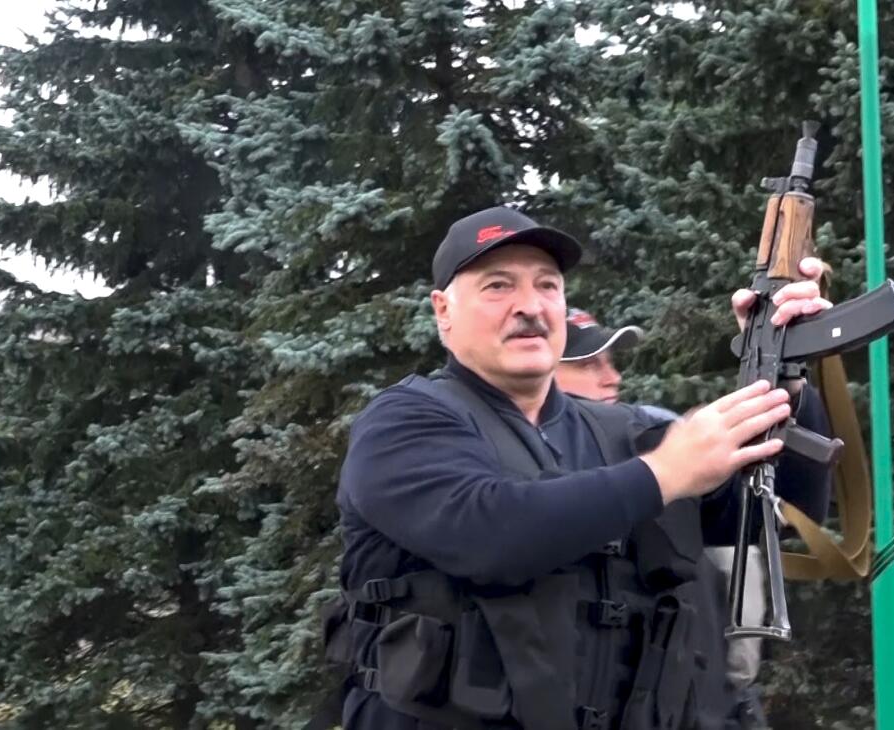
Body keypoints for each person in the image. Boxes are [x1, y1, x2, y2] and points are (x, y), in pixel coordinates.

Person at [333, 205, 833, 730]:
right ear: (443, 310)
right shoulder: (402, 423)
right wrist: (664, 472)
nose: (530, 306)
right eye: (497, 286)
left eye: (547, 285)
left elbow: (786, 509)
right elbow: (488, 532)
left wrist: (786, 373)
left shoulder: (628, 433)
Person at [554, 308, 800, 728]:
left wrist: (788, 375)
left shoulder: (656, 431)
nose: (611, 376)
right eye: (589, 364)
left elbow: (768, 512)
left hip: (702, 696)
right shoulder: (521, 462)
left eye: (611, 362)